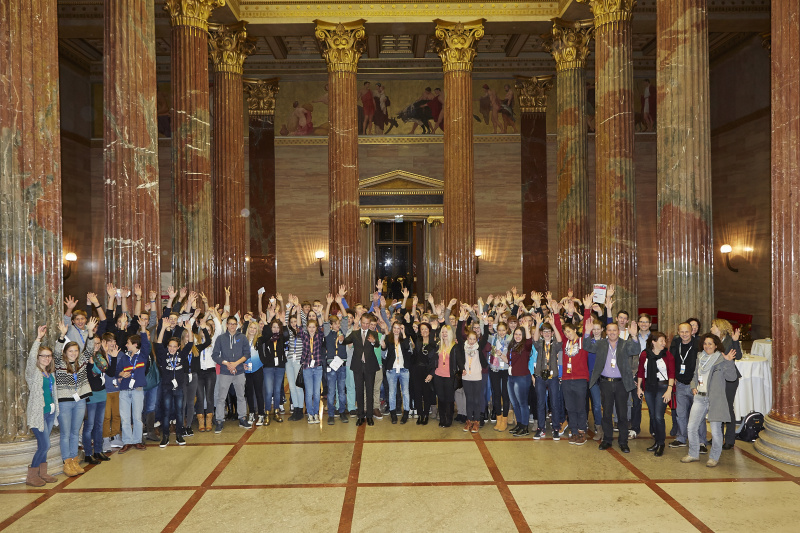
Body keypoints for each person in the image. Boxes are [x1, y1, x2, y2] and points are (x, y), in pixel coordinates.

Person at [682, 334, 739, 467]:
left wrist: (729, 361)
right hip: (700, 397)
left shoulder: (721, 359)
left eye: (710, 344)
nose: (707, 346)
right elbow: (695, 375)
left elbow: (731, 377)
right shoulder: (700, 357)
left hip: (715, 399)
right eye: (705, 344)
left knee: (716, 431)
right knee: (691, 427)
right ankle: (693, 454)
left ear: (716, 346)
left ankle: (714, 457)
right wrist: (693, 386)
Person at [585, 321, 641, 453]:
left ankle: (623, 441)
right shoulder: (601, 344)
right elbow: (587, 347)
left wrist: (634, 336)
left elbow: (636, 350)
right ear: (606, 332)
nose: (612, 333)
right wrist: (587, 333)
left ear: (619, 331)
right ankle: (607, 440)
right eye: (609, 330)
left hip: (621, 383)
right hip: (605, 383)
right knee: (607, 413)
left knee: (622, 414)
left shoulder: (625, 344)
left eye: (614, 330)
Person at [54, 317, 97, 476]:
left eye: (76, 351)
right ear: (66, 352)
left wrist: (91, 331)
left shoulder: (82, 362)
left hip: (80, 401)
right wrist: (62, 335)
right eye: (70, 351)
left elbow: (90, 349)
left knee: (74, 431)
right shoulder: (59, 363)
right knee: (65, 433)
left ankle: (74, 460)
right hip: (65, 401)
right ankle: (66, 462)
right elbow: (57, 351)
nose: (73, 353)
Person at [25, 325, 60, 486]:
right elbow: (31, 359)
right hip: (38, 413)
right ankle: (32, 475)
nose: (47, 359)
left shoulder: (50, 374)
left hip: (49, 412)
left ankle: (42, 473)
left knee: (44, 445)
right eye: (43, 356)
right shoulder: (34, 373)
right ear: (38, 357)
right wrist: (38, 339)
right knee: (45, 444)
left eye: (49, 356)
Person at [111, 315, 151, 453]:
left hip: (137, 390)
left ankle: (137, 440)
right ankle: (127, 441)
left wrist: (144, 328)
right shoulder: (124, 357)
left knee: (137, 417)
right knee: (125, 417)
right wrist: (120, 374)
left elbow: (145, 344)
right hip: (124, 390)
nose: (126, 345)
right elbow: (116, 371)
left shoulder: (143, 355)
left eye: (128, 343)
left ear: (135, 344)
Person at [155, 317, 194, 447]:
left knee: (179, 411)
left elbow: (190, 344)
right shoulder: (163, 354)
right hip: (166, 387)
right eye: (170, 346)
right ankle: (165, 436)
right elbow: (158, 343)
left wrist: (188, 328)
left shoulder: (181, 355)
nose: (172, 349)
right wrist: (162, 329)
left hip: (179, 388)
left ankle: (179, 435)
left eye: (174, 347)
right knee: (166, 411)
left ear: (178, 347)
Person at [636, 332, 675, 457]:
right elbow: (641, 372)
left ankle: (661, 443)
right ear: (653, 341)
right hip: (649, 388)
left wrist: (669, 390)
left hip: (663, 387)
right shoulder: (644, 354)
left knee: (659, 416)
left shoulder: (668, 355)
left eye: (665, 341)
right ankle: (657, 441)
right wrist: (639, 387)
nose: (664, 343)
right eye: (661, 341)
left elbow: (672, 374)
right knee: (652, 416)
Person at [211, 317, 252, 433]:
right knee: (221, 397)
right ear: (227, 325)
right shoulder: (220, 338)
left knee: (241, 396)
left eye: (234, 324)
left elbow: (247, 354)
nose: (232, 326)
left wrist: (236, 364)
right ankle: (219, 420)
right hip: (225, 372)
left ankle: (242, 418)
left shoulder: (242, 337)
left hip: (239, 371)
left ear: (237, 325)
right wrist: (227, 364)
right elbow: (215, 355)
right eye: (230, 324)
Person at [341, 310, 380, 426]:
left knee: (369, 391)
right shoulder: (355, 333)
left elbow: (377, 344)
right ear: (360, 322)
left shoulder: (374, 333)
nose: (365, 325)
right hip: (358, 366)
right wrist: (341, 339)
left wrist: (373, 342)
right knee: (359, 391)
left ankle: (369, 416)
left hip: (370, 366)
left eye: (367, 323)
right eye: (363, 323)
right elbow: (346, 341)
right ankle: (360, 416)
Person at [455, 307, 490, 433]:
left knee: (476, 399)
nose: (471, 341)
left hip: (477, 376)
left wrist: (485, 323)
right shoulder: (463, 346)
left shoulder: (478, 347)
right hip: (466, 376)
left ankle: (476, 421)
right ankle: (468, 421)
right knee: (469, 399)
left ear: (476, 340)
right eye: (469, 339)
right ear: (467, 339)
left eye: (473, 339)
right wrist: (461, 320)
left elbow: (485, 336)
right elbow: (458, 334)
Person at [710, 319, 743, 450]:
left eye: (713, 326)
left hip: (729, 378)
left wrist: (735, 341)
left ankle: (729, 439)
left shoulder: (730, 340)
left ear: (720, 327)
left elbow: (738, 356)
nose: (711, 328)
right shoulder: (712, 341)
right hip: (716, 378)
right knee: (716, 407)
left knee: (728, 408)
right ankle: (716, 437)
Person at [532, 312, 564, 440]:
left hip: (553, 377)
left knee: (555, 403)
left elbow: (560, 340)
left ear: (551, 333)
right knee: (540, 403)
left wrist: (553, 325)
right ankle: (541, 428)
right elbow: (534, 339)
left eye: (548, 331)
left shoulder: (554, 345)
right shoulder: (539, 345)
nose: (546, 333)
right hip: (540, 376)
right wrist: (538, 323)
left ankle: (556, 428)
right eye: (544, 331)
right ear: (541, 333)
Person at [669, 323, 701, 450]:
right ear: (678, 332)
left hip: (695, 385)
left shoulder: (698, 344)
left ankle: (700, 441)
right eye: (681, 332)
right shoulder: (676, 343)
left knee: (698, 414)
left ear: (691, 331)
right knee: (680, 414)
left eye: (686, 332)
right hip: (681, 384)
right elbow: (672, 360)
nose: (684, 334)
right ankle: (681, 438)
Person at [381, 319, 414, 424]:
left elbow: (406, 348)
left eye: (398, 328)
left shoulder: (405, 339)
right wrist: (383, 346)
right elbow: (384, 350)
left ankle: (406, 413)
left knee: (405, 392)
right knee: (392, 392)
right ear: (392, 329)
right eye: (394, 328)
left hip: (404, 369)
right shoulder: (388, 338)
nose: (396, 330)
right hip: (392, 370)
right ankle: (393, 414)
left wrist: (404, 333)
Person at [83, 340, 110, 465]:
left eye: (98, 343)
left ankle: (98, 450)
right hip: (91, 394)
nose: (97, 345)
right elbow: (89, 376)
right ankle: (88, 453)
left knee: (99, 424)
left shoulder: (100, 356)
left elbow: (109, 371)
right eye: (94, 343)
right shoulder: (85, 357)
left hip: (101, 393)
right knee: (89, 426)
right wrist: (90, 364)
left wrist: (105, 352)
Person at [258, 316, 288, 424]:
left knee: (277, 391)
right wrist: (267, 322)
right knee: (269, 390)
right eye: (273, 327)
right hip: (269, 367)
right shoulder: (266, 338)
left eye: (277, 327)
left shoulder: (281, 338)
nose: (275, 329)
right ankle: (267, 413)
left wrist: (284, 324)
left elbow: (287, 335)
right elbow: (265, 335)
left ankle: (276, 411)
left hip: (280, 367)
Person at [507, 321, 534, 437]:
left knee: (522, 403)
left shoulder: (526, 347)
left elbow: (529, 340)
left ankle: (525, 427)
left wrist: (526, 328)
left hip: (522, 377)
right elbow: (510, 361)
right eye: (516, 334)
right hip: (512, 377)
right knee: (515, 403)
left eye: (520, 334)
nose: (517, 336)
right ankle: (519, 424)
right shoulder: (512, 345)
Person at [487, 321, 511, 431]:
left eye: (503, 330)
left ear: (507, 330)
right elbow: (483, 331)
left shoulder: (509, 340)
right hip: (494, 369)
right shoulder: (493, 339)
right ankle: (498, 419)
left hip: (505, 370)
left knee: (505, 394)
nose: (501, 332)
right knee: (496, 394)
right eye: (499, 330)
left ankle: (505, 419)